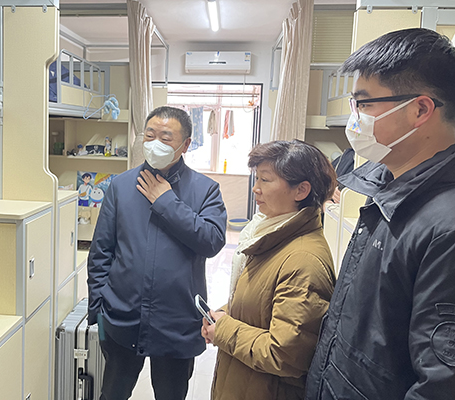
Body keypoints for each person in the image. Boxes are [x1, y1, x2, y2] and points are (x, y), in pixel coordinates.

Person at [305, 28, 455, 400]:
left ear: (420, 109)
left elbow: (440, 384)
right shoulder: (384, 188)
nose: (355, 118)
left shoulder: (445, 226)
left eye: (364, 104)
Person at [87, 106, 227, 400]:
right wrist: (99, 309)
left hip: (176, 321)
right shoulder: (121, 186)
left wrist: (166, 202)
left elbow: (212, 241)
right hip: (122, 317)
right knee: (112, 394)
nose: (154, 144)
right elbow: (101, 252)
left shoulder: (206, 190)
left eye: (165, 137)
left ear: (185, 145)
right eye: (149, 135)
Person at [201, 140, 336, 400]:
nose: (256, 188)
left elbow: (284, 354)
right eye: (257, 178)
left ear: (301, 190)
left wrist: (225, 330)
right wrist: (224, 314)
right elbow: (261, 304)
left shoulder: (303, 261)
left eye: (265, 180)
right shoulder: (273, 235)